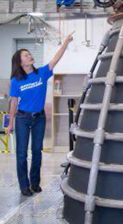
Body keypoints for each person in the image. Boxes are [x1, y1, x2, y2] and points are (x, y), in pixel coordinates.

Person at [5, 34, 74, 197]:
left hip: (39, 118)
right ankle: (24, 185)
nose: (30, 56)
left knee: (37, 151)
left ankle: (34, 183)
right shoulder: (16, 80)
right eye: (26, 55)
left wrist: (65, 42)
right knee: (21, 153)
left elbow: (56, 59)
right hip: (22, 118)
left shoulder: (42, 73)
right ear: (20, 62)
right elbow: (14, 102)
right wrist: (10, 123)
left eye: (30, 54)